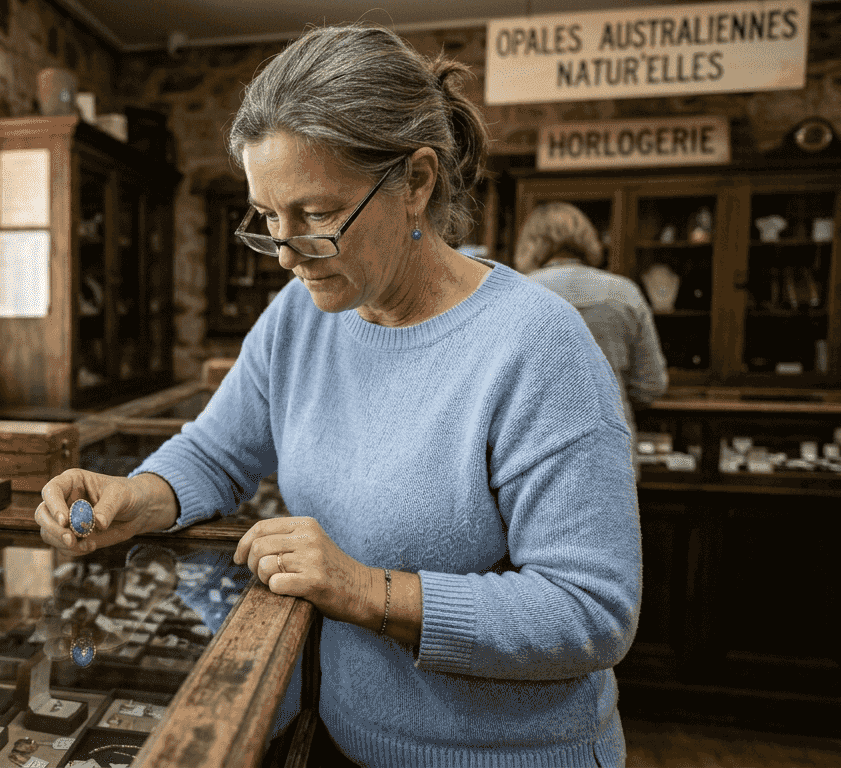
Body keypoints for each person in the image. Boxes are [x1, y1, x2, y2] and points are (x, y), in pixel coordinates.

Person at [34, 23, 640, 768]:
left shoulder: (537, 344)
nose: (285, 255)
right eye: (267, 220)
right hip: (340, 739)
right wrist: (138, 494)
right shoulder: (302, 314)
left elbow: (591, 611)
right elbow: (217, 451)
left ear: (416, 181)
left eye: (316, 215)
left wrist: (365, 590)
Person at [516, 201, 669, 440]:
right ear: (589, 239)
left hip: (535, 449)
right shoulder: (624, 292)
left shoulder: (513, 295)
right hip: (609, 446)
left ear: (529, 244)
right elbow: (651, 385)